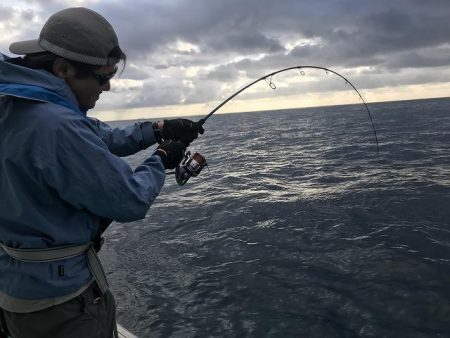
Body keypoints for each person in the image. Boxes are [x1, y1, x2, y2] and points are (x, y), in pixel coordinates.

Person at [0, 7, 204, 338]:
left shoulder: (16, 102)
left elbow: (96, 136)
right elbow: (130, 200)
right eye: (102, 77)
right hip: (60, 304)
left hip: (15, 286)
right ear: (63, 69)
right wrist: (162, 159)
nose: (107, 88)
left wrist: (156, 129)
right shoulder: (57, 126)